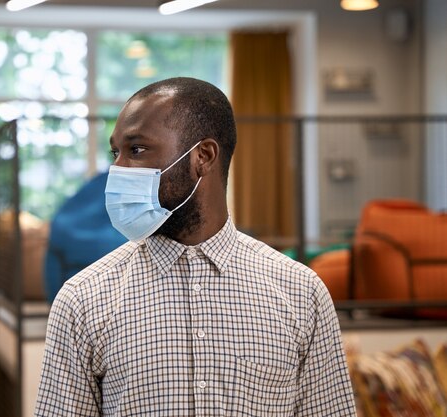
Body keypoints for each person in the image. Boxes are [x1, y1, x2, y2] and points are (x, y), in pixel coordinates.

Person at [35, 77, 356, 416]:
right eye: (116, 152)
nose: (117, 171)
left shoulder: (301, 293)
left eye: (137, 150)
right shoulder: (83, 299)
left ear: (203, 156)